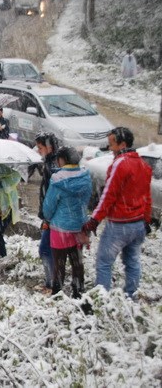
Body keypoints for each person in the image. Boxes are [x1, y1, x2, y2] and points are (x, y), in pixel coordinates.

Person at [83, 127, 152, 299]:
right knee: (132, 262)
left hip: (119, 225)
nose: (110, 148)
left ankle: (102, 301)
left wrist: (94, 220)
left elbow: (108, 195)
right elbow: (146, 196)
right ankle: (131, 298)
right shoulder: (143, 165)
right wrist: (146, 219)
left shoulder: (120, 163)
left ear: (122, 144)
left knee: (104, 263)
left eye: (112, 144)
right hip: (137, 225)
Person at [42, 147, 92, 298]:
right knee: (77, 263)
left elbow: (49, 206)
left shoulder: (58, 180)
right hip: (79, 227)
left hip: (60, 228)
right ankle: (78, 291)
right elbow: (87, 200)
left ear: (62, 160)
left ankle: (57, 293)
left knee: (59, 264)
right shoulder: (85, 177)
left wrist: (47, 219)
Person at [35, 132, 59, 292]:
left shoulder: (53, 167)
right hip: (52, 215)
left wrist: (46, 216)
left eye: (40, 147)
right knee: (51, 250)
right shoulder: (51, 163)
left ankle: (52, 284)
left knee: (45, 249)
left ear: (49, 147)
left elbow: (52, 195)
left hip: (53, 216)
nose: (38, 151)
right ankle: (51, 282)